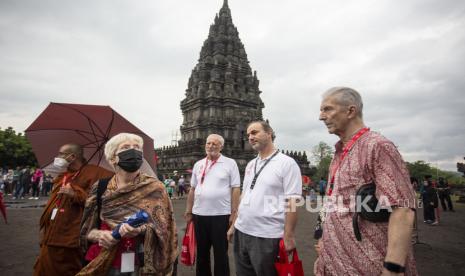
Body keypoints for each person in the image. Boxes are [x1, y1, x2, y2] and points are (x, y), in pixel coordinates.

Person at [314, 87, 418, 275]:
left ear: (351, 111)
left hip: (369, 263)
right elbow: (337, 202)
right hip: (334, 260)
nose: (321, 116)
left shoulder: (377, 146)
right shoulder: (339, 153)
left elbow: (402, 209)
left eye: (327, 109)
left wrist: (393, 268)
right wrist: (325, 237)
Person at [79, 133, 178, 275]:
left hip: (141, 262)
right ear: (113, 158)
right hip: (104, 260)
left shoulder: (156, 188)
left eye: (137, 147)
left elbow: (167, 229)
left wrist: (142, 230)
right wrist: (99, 235)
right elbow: (86, 231)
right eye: (126, 147)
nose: (134, 151)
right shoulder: (100, 187)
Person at [229, 121, 302, 276]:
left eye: (254, 132)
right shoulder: (251, 164)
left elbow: (293, 201)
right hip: (242, 231)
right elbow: (244, 195)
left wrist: (288, 236)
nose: (250, 137)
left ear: (269, 133)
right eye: (248, 134)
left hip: (267, 235)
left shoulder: (287, 164)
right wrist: (234, 224)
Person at [33, 144, 114, 276]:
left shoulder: (96, 173)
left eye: (61, 154)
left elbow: (102, 202)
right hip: (52, 233)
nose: (58, 157)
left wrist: (75, 194)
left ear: (72, 156)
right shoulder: (65, 175)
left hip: (71, 236)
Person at [184, 134, 241, 276]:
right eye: (208, 143)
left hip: (220, 215)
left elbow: (235, 188)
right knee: (202, 253)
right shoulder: (198, 164)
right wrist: (189, 210)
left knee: (220, 253)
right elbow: (192, 189)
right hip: (199, 215)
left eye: (215, 144)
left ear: (221, 146)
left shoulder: (230, 163)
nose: (211, 146)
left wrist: (234, 213)